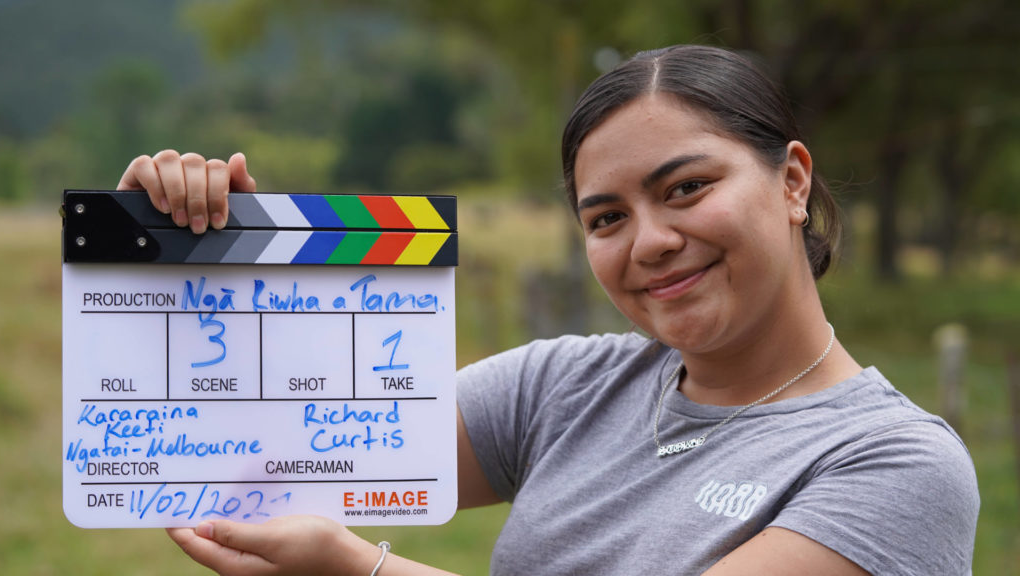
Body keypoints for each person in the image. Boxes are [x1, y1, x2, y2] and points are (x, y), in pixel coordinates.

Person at [119, 45, 979, 575]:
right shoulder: (561, 386)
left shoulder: (895, 466)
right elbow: (242, 463)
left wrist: (364, 573)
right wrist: (180, 264)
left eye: (686, 188)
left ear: (792, 180)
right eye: (606, 217)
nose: (648, 242)